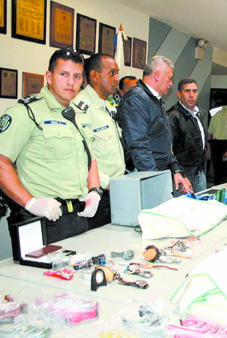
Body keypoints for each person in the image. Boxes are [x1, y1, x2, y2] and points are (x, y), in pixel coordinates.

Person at [0, 48, 101, 244]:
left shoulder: (79, 115)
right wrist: (31, 202)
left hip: (77, 218)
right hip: (39, 218)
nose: (71, 82)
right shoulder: (26, 112)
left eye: (77, 76)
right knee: (34, 276)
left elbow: (91, 158)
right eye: (64, 74)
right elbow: (2, 163)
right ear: (49, 76)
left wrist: (94, 191)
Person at [120, 55, 192, 195]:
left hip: (158, 173)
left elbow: (164, 142)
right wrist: (154, 179)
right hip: (145, 176)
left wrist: (175, 170)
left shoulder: (155, 100)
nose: (171, 83)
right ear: (157, 75)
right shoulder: (136, 99)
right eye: (169, 78)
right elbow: (139, 146)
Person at [73, 53, 125, 229]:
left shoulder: (105, 105)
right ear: (94, 76)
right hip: (98, 193)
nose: (117, 78)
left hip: (115, 191)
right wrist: (107, 183)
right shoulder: (81, 108)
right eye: (112, 73)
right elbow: (79, 157)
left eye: (117, 73)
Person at [167, 78, 207, 195]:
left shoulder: (196, 114)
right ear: (179, 94)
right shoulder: (173, 116)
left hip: (198, 172)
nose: (191, 95)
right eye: (187, 91)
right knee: (183, 210)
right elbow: (169, 149)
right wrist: (180, 173)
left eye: (194, 91)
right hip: (182, 176)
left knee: (202, 208)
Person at [207, 93, 227, 185]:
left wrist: (208, 149)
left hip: (215, 144)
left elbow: (209, 134)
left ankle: (217, 189)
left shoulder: (215, 115)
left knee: (217, 171)